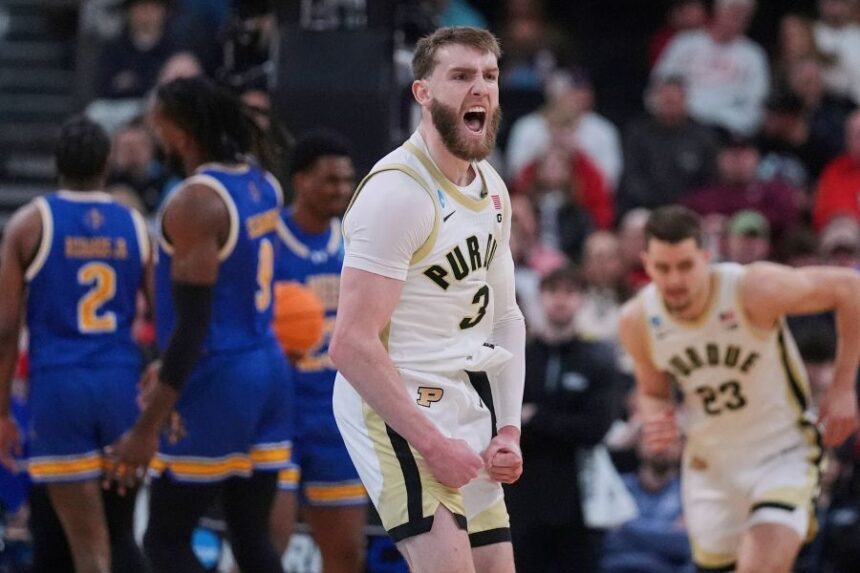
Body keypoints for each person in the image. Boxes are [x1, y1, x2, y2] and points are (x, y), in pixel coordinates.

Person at [329, 26, 525, 573]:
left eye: (489, 75)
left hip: (461, 395)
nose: (480, 88)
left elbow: (508, 318)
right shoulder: (398, 194)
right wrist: (433, 443)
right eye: (461, 76)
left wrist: (508, 427)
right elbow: (348, 345)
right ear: (423, 93)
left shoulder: (492, 188)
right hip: (393, 404)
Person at [103, 76, 292, 573]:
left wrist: (145, 428)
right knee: (252, 538)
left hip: (217, 377)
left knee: (164, 543)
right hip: (267, 367)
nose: (154, 135)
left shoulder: (195, 202)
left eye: (157, 125)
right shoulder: (262, 182)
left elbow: (194, 325)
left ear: (180, 133)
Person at [618, 205, 860, 572]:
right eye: (663, 268)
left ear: (706, 257)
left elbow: (850, 288)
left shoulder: (752, 288)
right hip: (709, 466)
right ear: (646, 263)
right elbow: (654, 391)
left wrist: (843, 388)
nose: (675, 280)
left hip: (781, 452)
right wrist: (657, 418)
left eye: (685, 266)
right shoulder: (637, 320)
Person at [0, 116, 150, 573]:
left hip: (60, 387)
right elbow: (164, 320)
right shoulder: (135, 223)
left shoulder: (29, 223)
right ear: (107, 162)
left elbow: (6, 329)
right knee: (115, 533)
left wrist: (2, 410)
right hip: (121, 386)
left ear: (55, 164)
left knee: (90, 548)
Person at [271, 131, 367, 572]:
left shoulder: (356, 245)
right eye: (330, 180)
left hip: (335, 416)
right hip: (276, 412)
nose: (341, 190)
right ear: (301, 181)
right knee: (266, 549)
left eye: (347, 180)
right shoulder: (267, 242)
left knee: (347, 554)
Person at [505, 266, 626, 573]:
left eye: (570, 292)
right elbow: (504, 423)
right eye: (553, 292)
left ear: (582, 300)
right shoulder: (518, 357)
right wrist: (556, 422)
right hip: (522, 497)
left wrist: (535, 416)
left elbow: (596, 428)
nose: (561, 300)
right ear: (540, 298)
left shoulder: (597, 360)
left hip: (578, 503)